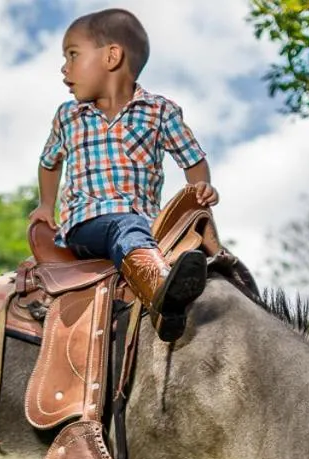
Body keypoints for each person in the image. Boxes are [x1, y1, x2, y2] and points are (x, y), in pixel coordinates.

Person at [29, 8, 218, 342]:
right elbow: (49, 162)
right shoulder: (68, 116)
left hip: (145, 224)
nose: (64, 68)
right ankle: (159, 290)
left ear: (112, 56)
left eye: (73, 55)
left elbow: (192, 159)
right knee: (122, 224)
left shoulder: (160, 111)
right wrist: (46, 205)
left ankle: (165, 288)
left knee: (139, 228)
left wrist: (200, 187)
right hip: (86, 225)